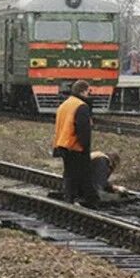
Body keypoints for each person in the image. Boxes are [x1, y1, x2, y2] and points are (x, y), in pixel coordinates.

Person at [52, 80, 98, 208]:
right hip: (75, 146)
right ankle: (90, 201)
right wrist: (85, 147)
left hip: (63, 144)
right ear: (83, 91)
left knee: (69, 174)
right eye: (89, 91)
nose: (90, 95)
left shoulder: (65, 104)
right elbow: (83, 129)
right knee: (83, 174)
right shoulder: (81, 106)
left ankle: (69, 198)